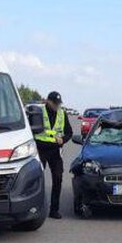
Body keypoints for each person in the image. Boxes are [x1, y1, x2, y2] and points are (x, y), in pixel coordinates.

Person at [35, 91, 72, 219]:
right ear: (48, 101)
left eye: (58, 103)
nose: (57, 106)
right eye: (55, 103)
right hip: (40, 149)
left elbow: (69, 132)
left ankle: (54, 210)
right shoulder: (39, 112)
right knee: (36, 180)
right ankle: (36, 209)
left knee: (58, 179)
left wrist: (64, 140)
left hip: (55, 151)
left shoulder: (62, 114)